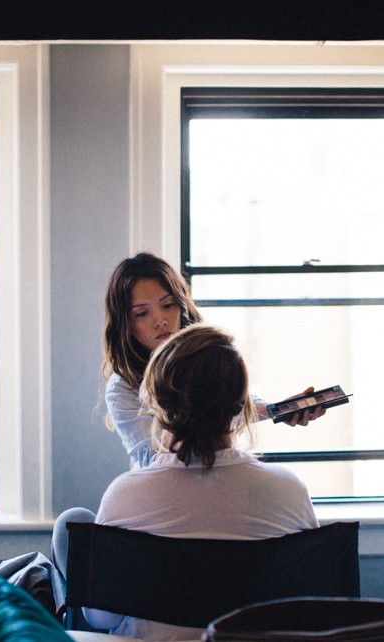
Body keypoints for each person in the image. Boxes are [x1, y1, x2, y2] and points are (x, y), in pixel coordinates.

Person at [86, 324, 320, 640]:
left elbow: (99, 615)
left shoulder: (125, 494)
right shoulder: (289, 490)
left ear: (158, 405)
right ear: (241, 405)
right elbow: (309, 605)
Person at [101, 252, 323, 468]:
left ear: (182, 305)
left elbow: (232, 402)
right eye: (142, 313)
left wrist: (279, 410)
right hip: (165, 491)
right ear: (125, 323)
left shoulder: (204, 359)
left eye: (168, 305)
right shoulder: (122, 388)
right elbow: (154, 460)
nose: (160, 320)